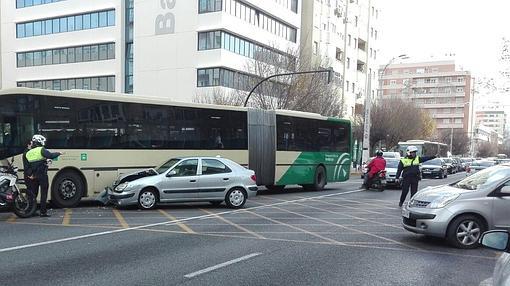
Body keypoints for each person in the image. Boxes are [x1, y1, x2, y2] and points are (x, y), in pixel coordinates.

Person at [25, 135, 63, 217]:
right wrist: (59, 153)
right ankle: (43, 212)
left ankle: (32, 210)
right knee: (43, 193)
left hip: (33, 176)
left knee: (33, 194)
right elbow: (51, 155)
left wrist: (30, 175)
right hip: (42, 175)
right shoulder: (41, 150)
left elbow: (28, 166)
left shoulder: (28, 153)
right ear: (40, 142)